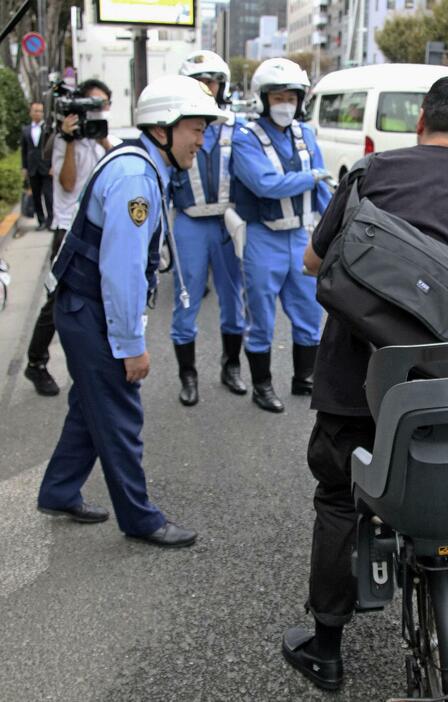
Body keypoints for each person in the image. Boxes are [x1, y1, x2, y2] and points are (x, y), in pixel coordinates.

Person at [281, 76, 448, 689]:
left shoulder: (370, 173)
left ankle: (327, 647)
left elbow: (314, 263)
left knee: (340, 495)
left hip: (355, 382)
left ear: (421, 120)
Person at [37, 76, 227, 547]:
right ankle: (140, 519)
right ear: (163, 129)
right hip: (91, 311)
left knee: (89, 406)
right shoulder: (136, 178)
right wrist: (131, 347)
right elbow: (120, 272)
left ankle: (58, 491)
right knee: (121, 413)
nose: (201, 143)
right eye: (196, 131)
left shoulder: (142, 163)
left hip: (83, 305)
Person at [232, 58, 333, 413]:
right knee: (261, 316)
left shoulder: (305, 134)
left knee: (308, 312)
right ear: (262, 99)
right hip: (264, 237)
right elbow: (264, 185)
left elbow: (322, 192)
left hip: (301, 236)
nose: (285, 103)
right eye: (277, 97)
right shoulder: (245, 137)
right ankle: (262, 386)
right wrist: (313, 177)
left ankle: (304, 378)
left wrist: (339, 219)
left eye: (291, 96)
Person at [24, 79, 119, 397]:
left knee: (101, 298)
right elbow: (66, 186)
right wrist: (69, 139)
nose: (97, 110)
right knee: (56, 301)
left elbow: (118, 173)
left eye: (102, 104)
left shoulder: (107, 139)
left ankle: (98, 363)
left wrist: (102, 141)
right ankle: (36, 362)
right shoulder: (64, 141)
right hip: (69, 230)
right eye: (91, 104)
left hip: (100, 230)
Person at [170, 50, 246, 406]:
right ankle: (188, 375)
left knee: (234, 299)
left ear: (222, 85)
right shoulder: (174, 124)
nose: (206, 87)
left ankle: (231, 366)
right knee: (186, 301)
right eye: (199, 82)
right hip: (190, 223)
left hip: (228, 223)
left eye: (211, 81)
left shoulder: (236, 125)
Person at [21, 101, 53, 231]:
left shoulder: (48, 128)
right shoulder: (25, 129)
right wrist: (24, 167)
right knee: (36, 196)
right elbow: (24, 149)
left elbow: (53, 149)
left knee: (48, 195)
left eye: (40, 111)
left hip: (46, 167)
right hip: (32, 167)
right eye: (35, 110)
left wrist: (53, 165)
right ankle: (41, 221)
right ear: (30, 112)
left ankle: (51, 220)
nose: (38, 113)